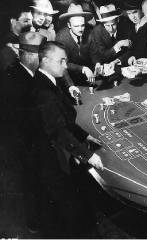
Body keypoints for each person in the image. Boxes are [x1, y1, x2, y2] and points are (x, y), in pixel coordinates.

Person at [32, 41, 103, 236]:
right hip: (53, 158)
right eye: (61, 61)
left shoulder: (48, 80)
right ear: (45, 60)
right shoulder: (43, 90)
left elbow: (64, 117)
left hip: (58, 150)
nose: (65, 66)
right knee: (70, 209)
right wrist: (88, 155)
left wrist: (85, 135)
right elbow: (58, 131)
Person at [0, 32, 46, 233]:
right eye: (40, 53)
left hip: (32, 140)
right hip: (21, 145)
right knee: (31, 183)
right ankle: (35, 224)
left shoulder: (32, 72)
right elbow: (15, 120)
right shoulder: (12, 79)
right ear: (23, 53)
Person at [56, 3, 95, 85]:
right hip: (71, 79)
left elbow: (94, 54)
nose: (81, 29)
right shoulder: (61, 38)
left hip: (89, 77)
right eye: (76, 26)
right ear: (69, 25)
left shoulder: (90, 33)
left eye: (82, 25)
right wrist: (83, 69)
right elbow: (63, 63)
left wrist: (98, 63)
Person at [118, 0, 147, 66]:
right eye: (129, 13)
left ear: (142, 10)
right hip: (135, 66)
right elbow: (132, 50)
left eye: (135, 12)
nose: (132, 17)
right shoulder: (132, 27)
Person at [0, 5, 33, 72]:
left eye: (31, 21)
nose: (31, 24)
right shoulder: (8, 44)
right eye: (26, 21)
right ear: (13, 21)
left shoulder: (24, 40)